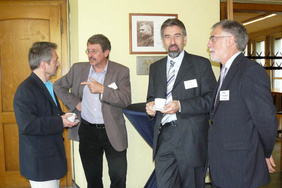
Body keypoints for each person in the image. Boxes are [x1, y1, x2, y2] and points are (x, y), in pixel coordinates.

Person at [146, 18, 216, 188]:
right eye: (167, 37)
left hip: (191, 138)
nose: (172, 42)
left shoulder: (200, 64)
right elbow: (151, 97)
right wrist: (150, 107)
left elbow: (211, 99)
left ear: (185, 39)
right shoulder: (155, 68)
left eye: (177, 36)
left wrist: (181, 105)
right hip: (164, 138)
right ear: (163, 41)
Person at [207, 20, 279, 188]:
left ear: (230, 40)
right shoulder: (226, 71)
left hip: (240, 167)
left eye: (213, 38)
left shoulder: (250, 72)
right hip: (223, 164)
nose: (209, 43)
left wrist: (265, 152)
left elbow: (267, 120)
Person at [53, 34, 131, 188]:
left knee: (118, 179)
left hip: (113, 131)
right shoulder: (78, 69)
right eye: (88, 51)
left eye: (94, 51)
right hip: (88, 131)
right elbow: (57, 85)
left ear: (106, 52)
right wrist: (76, 103)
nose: (90, 55)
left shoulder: (120, 71)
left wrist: (102, 89)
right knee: (93, 180)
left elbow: (125, 100)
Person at [13, 42, 78, 188]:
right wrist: (59, 122)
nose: (58, 63)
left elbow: (50, 113)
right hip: (40, 162)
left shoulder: (47, 85)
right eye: (55, 60)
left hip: (52, 158)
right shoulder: (25, 90)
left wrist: (65, 117)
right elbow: (27, 125)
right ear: (44, 64)